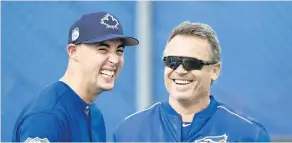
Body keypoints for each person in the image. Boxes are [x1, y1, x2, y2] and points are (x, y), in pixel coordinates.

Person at [112, 21, 270, 142]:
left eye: (191, 63)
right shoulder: (129, 131)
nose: (180, 71)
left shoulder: (248, 134)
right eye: (172, 61)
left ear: (215, 70)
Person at [12, 11, 139, 142]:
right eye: (103, 49)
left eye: (119, 51)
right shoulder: (47, 117)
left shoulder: (94, 114)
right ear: (73, 51)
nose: (115, 59)